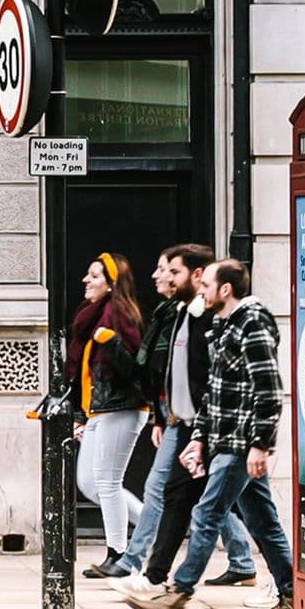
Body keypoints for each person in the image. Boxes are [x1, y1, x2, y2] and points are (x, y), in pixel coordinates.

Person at [124, 259, 296, 609]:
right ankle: (292, 594)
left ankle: (178, 594)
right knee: (262, 521)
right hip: (223, 439)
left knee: (206, 513)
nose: (201, 290)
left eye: (207, 285)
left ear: (226, 290)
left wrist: (260, 445)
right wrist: (200, 438)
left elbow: (268, 390)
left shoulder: (253, 324)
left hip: (240, 442)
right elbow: (215, 391)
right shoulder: (223, 324)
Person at [105, 245, 257, 590]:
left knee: (201, 504)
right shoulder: (181, 314)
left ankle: (161, 577)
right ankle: (160, 574)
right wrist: (164, 415)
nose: (164, 278)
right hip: (187, 423)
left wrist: (206, 433)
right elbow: (171, 373)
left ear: (200, 275)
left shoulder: (215, 320)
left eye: (173, 272)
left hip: (216, 429)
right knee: (191, 500)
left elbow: (220, 380)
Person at [69, 252, 149, 577]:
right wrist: (80, 415)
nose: (86, 280)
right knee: (88, 483)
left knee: (107, 482)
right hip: (97, 410)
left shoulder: (120, 317)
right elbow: (82, 373)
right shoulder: (91, 316)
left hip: (122, 408)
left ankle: (119, 554)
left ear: (112, 283)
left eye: (95, 275)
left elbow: (136, 368)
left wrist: (114, 342)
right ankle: (152, 526)